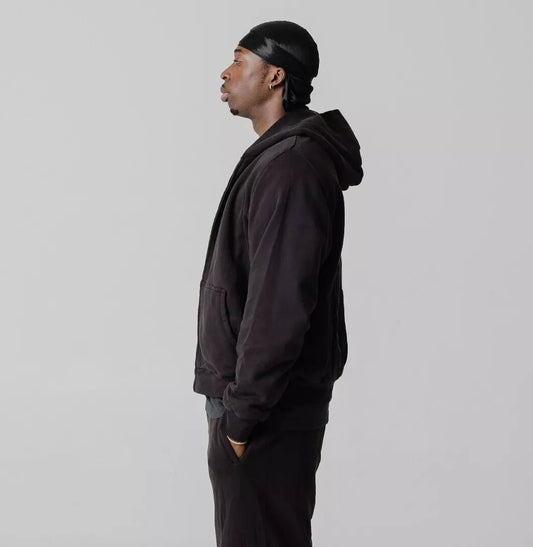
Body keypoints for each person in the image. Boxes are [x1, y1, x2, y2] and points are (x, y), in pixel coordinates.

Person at [192, 20, 364, 547]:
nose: (225, 73)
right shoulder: (282, 157)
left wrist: (242, 418)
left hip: (265, 411)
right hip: (257, 403)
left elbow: (280, 304)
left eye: (239, 60)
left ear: (275, 76)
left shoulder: (291, 165)